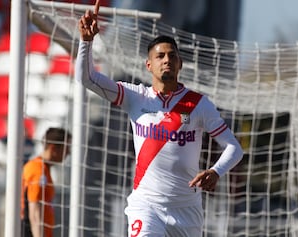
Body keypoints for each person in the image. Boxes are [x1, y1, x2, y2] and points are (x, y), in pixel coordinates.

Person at [75, 1, 243, 236]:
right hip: (146, 206)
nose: (166, 60)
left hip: (186, 209)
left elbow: (234, 148)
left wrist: (215, 171)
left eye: (172, 56)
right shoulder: (135, 96)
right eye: (160, 56)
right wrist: (86, 42)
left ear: (179, 64)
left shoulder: (198, 104)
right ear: (149, 65)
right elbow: (87, 78)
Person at [20, 127, 71, 237]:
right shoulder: (37, 170)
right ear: (53, 148)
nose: (69, 153)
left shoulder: (44, 168)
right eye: (66, 148)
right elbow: (34, 212)